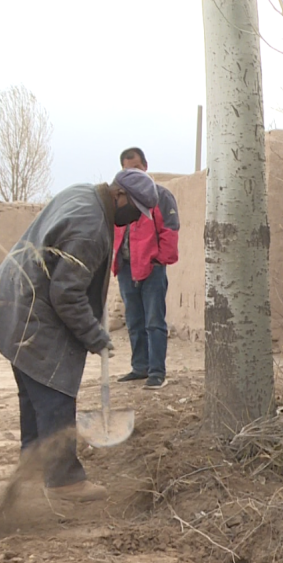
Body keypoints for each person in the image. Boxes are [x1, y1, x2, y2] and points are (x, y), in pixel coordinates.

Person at [0, 169, 159, 502]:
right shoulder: (91, 227)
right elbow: (67, 294)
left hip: (17, 303)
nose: (133, 220)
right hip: (34, 313)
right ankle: (64, 482)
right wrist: (95, 336)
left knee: (34, 399)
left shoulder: (83, 194)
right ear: (120, 196)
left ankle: (32, 471)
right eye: (135, 210)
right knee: (55, 392)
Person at [112, 147, 180, 389]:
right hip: (126, 267)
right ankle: (139, 367)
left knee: (154, 321)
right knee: (134, 320)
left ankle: (156, 372)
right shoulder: (119, 198)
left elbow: (170, 231)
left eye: (137, 168)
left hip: (152, 268)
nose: (133, 174)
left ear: (145, 167)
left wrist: (158, 260)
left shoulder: (160, 196)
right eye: (128, 170)